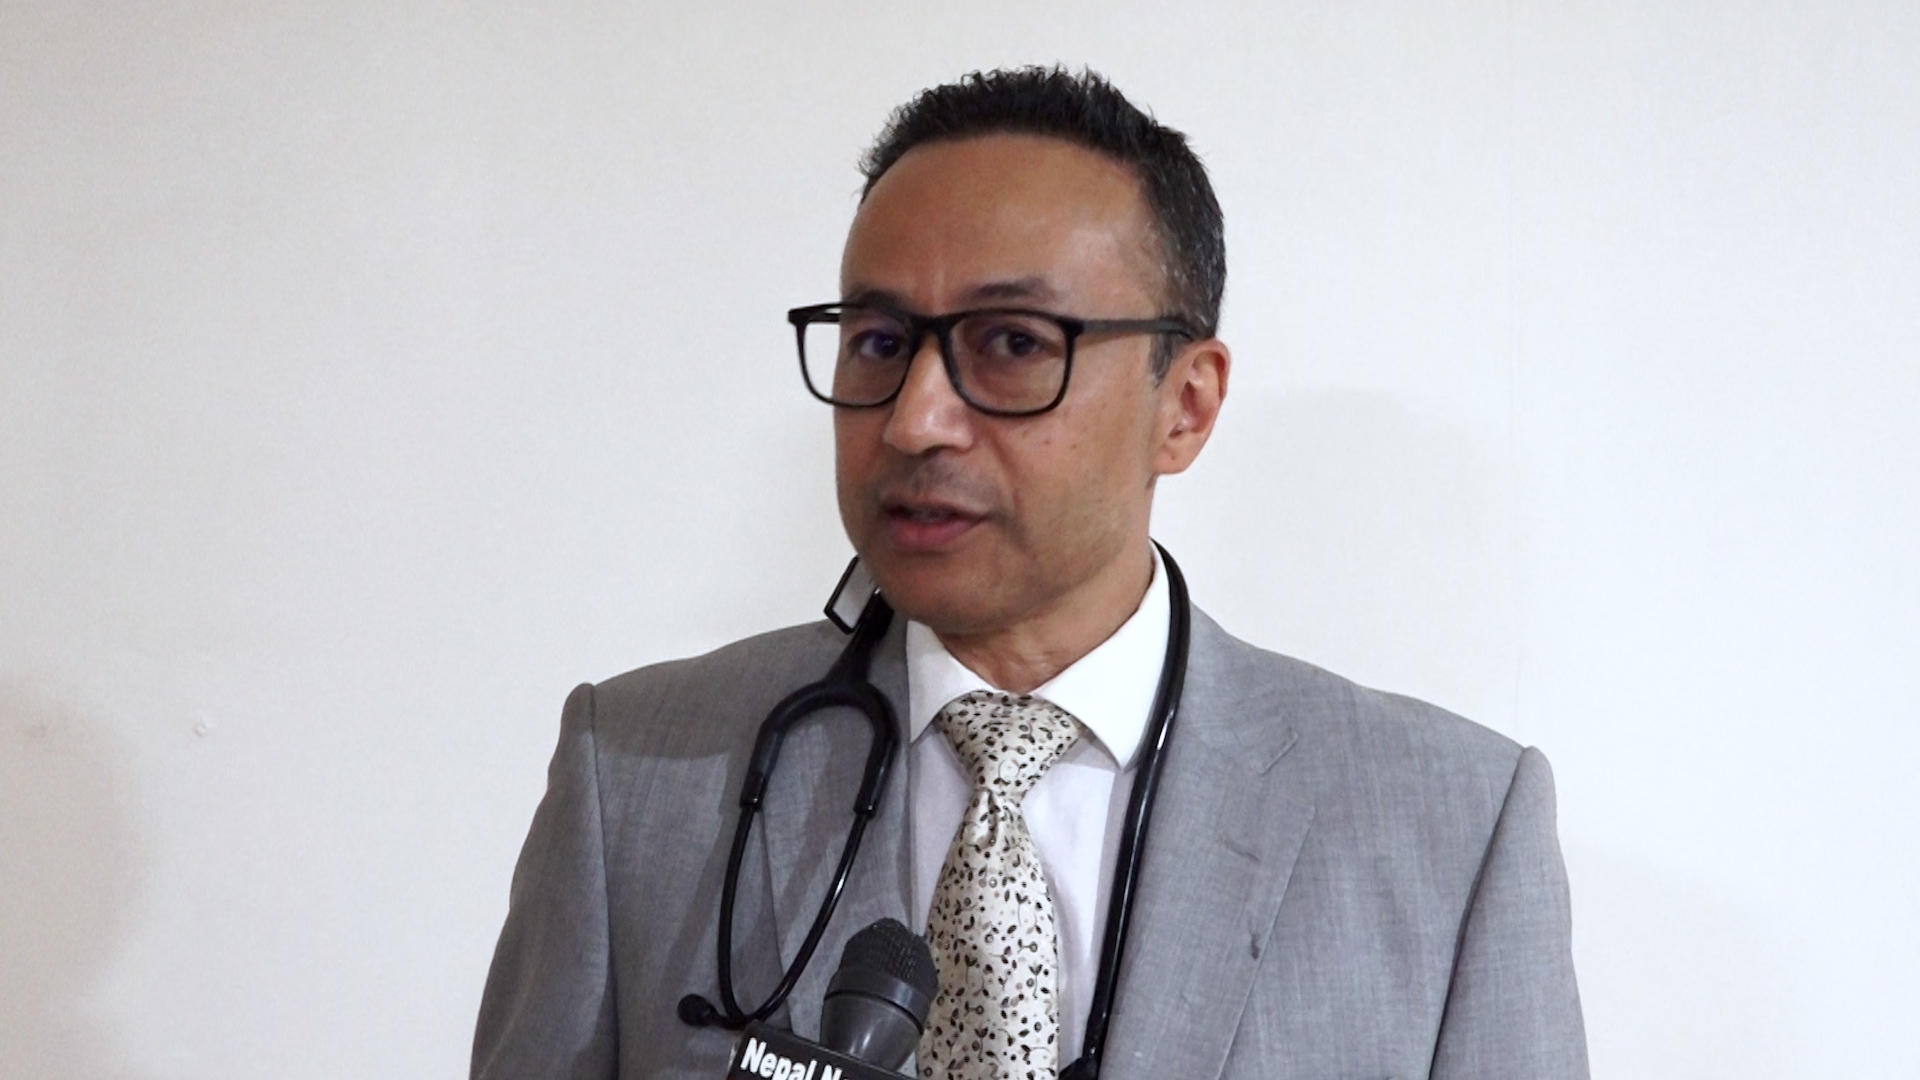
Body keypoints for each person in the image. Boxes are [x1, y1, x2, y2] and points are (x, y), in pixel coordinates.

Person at [472, 67, 1588, 1080]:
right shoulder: (635, 776)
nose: (915, 419)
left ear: (1185, 405)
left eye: (1011, 343)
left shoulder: (1450, 831)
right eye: (878, 342)